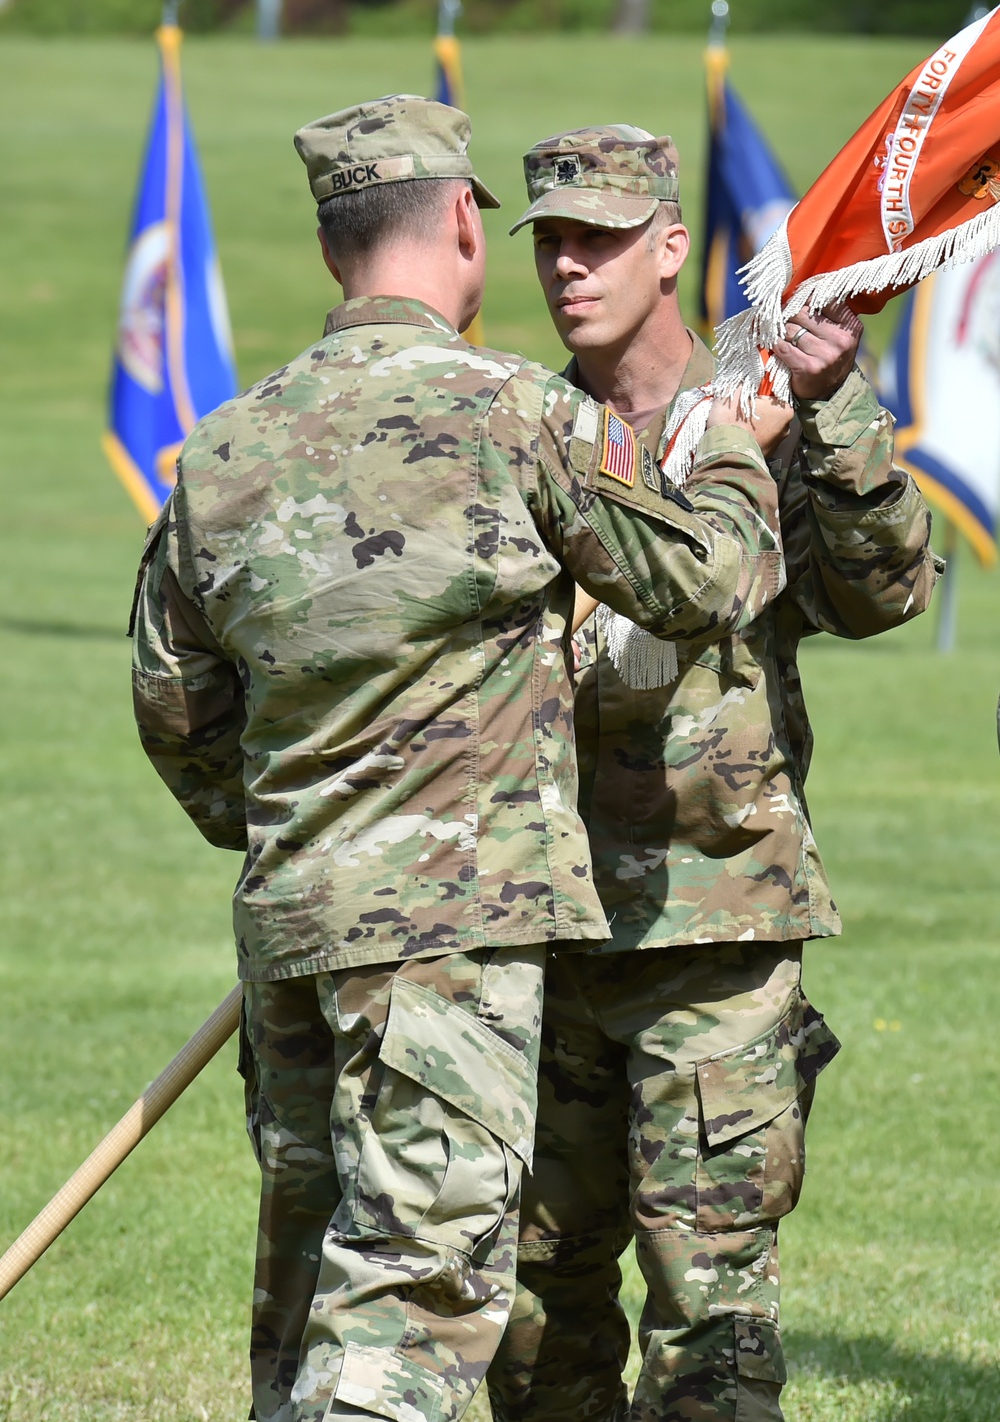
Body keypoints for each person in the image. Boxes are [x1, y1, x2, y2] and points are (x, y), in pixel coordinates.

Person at [128, 97, 789, 1422]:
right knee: (413, 1317)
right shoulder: (514, 415)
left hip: (293, 939)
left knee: (317, 1295)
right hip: (452, 942)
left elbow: (176, 713)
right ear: (459, 229)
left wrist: (303, 824)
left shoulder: (222, 451)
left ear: (332, 251)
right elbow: (704, 579)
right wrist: (724, 442)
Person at [486, 125, 942, 1422]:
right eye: (553, 243)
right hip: (542, 926)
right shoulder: (520, 427)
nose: (572, 268)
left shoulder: (764, 413)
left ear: (673, 248)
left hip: (717, 931)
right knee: (532, 1313)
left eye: (603, 240)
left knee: (714, 1325)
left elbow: (886, 594)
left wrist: (841, 404)